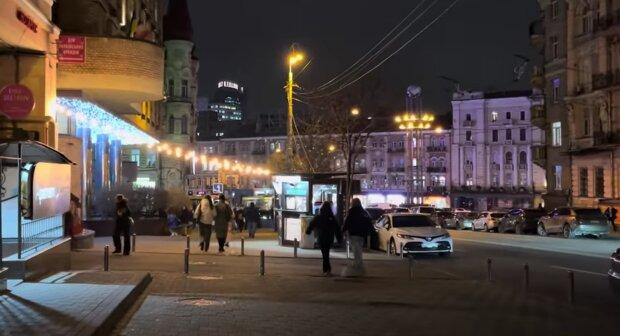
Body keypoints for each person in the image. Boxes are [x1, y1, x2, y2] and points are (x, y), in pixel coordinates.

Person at [306, 201, 340, 276]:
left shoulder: (318, 217)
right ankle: (327, 270)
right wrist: (339, 238)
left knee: (325, 254)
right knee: (326, 253)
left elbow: (311, 224)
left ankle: (326, 270)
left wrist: (308, 231)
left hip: (321, 238)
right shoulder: (332, 217)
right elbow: (337, 228)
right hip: (329, 238)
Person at [341, 198, 373, 277]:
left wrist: (342, 231)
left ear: (353, 203)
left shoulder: (352, 212)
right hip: (361, 235)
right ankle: (359, 267)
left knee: (356, 251)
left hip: (354, 234)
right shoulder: (364, 212)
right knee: (358, 250)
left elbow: (347, 222)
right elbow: (369, 222)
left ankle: (358, 267)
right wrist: (369, 232)